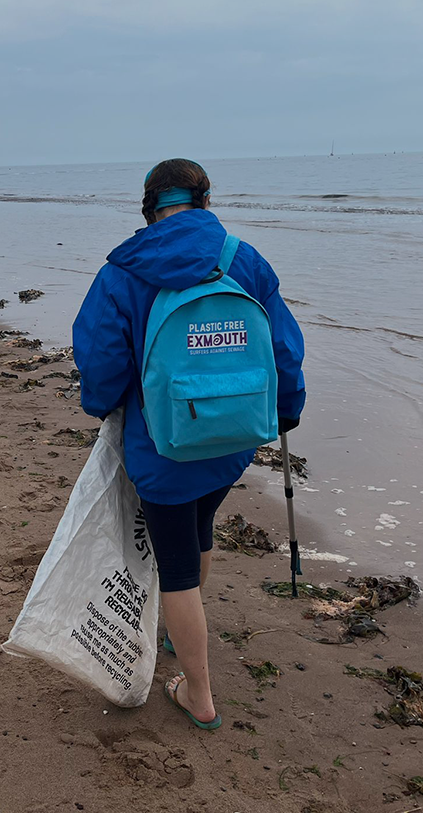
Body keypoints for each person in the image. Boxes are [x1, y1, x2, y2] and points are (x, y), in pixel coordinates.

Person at [72, 159, 305, 730]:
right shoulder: (243, 259)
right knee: (199, 528)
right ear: (204, 200)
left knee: (174, 565)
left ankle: (197, 696)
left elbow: (100, 358)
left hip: (163, 443)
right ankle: (182, 636)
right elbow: (284, 348)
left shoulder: (124, 270)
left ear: (149, 207)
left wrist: (100, 406)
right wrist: (287, 410)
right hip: (232, 436)